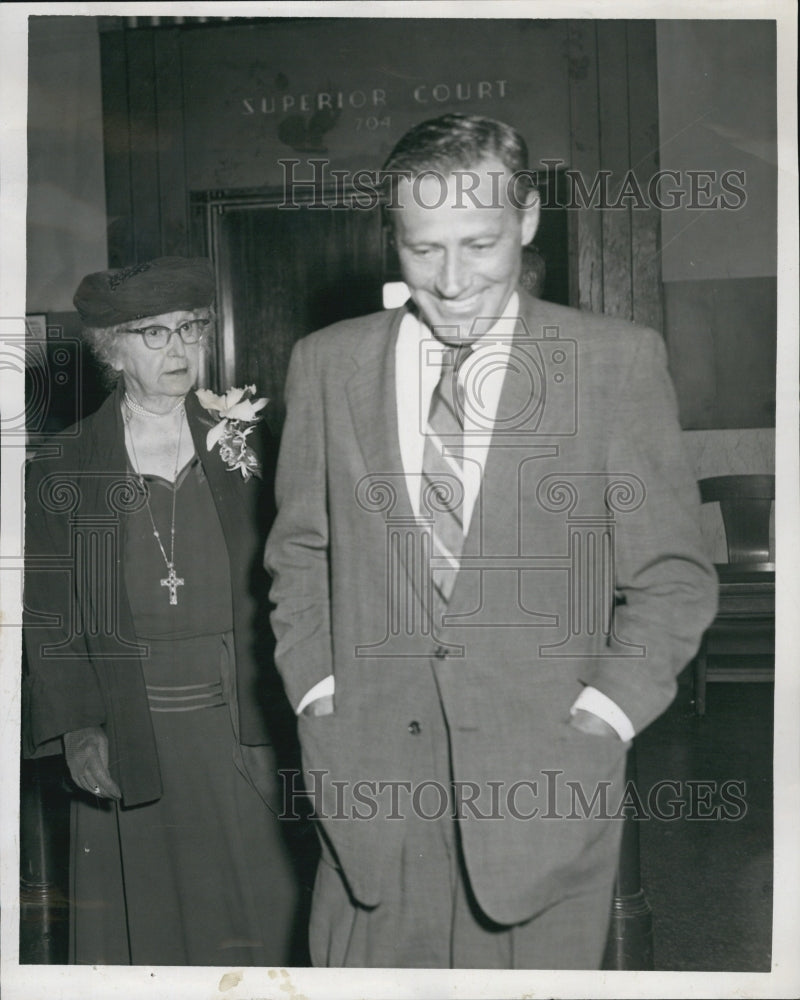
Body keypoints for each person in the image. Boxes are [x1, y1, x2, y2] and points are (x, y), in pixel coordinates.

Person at [265, 113, 718, 969]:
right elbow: (300, 554)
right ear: (392, 237)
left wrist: (605, 713)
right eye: (423, 249)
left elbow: (673, 576)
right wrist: (316, 688)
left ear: (528, 220)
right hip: (369, 792)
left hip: (542, 791)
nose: (453, 280)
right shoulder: (327, 363)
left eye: (479, 244)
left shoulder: (613, 364)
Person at [23, 256, 302, 965]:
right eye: (154, 334)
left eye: (191, 329)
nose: (179, 349)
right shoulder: (64, 463)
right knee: (148, 923)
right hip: (130, 721)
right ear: (111, 350)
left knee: (265, 914)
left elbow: (302, 571)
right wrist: (80, 726)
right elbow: (49, 616)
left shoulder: (251, 439)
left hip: (244, 718)